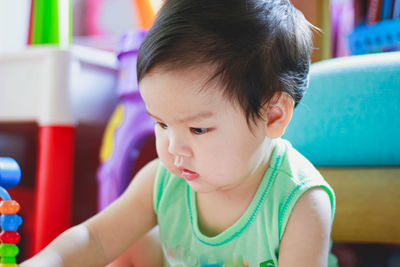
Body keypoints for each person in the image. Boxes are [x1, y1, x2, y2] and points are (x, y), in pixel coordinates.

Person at [21, 0, 338, 266]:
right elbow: (95, 239)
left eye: (198, 129)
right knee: (130, 240)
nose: (173, 148)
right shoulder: (162, 181)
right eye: (161, 124)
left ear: (273, 115)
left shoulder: (301, 203)